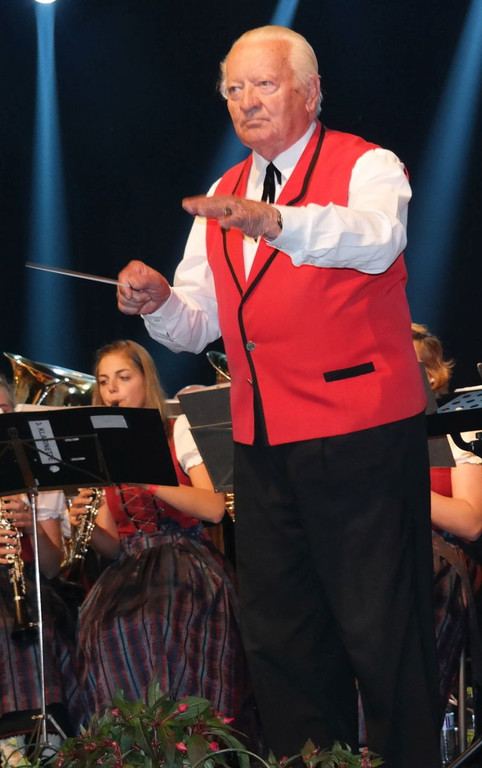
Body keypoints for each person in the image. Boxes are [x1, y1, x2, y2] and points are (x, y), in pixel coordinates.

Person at [115, 26, 441, 767]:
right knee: (283, 639)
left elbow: (377, 240)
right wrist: (159, 302)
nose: (246, 101)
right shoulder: (225, 190)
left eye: (263, 84)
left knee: (383, 633)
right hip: (262, 442)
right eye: (233, 89)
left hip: (360, 431)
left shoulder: (367, 164)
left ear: (311, 92)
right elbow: (199, 320)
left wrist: (275, 221)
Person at [70, 340, 247, 728]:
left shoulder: (175, 429)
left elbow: (213, 508)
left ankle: (185, 738)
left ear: (145, 379)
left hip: (185, 562)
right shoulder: (101, 446)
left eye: (123, 377)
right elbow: (112, 545)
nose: (112, 389)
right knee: (99, 630)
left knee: (160, 622)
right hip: (128, 568)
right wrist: (82, 523)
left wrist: (148, 480)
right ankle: (131, 743)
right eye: (103, 381)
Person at [0, 382, 81, 753]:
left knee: (42, 620)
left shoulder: (34, 470)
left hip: (31, 586)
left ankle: (45, 742)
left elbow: (51, 567)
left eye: (4, 409)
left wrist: (30, 523)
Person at [412, 324, 482, 718]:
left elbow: (470, 522)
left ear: (433, 374)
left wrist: (399, 485)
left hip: (440, 557)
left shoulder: (457, 428)